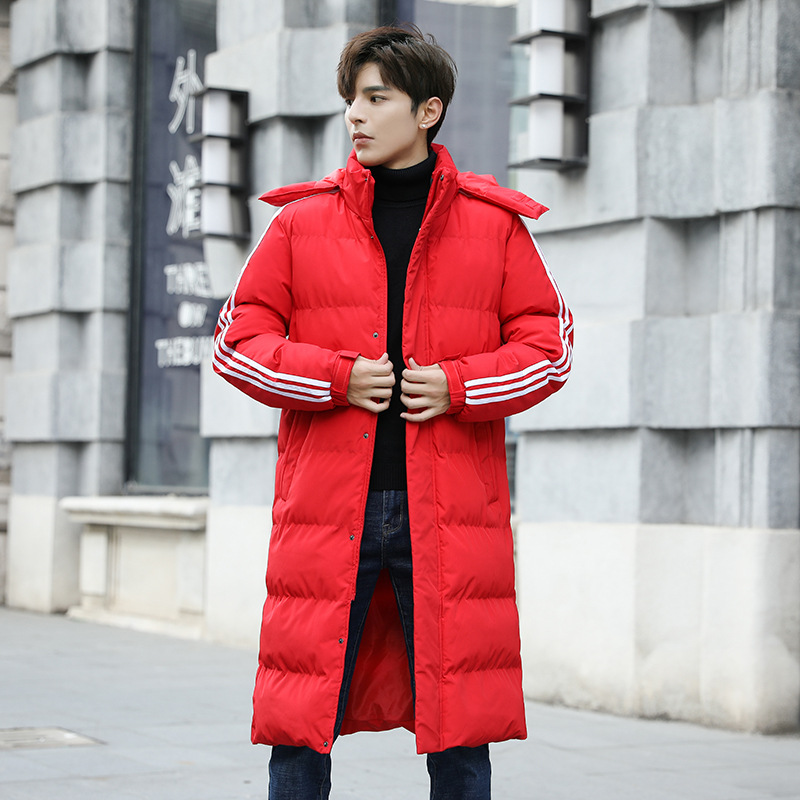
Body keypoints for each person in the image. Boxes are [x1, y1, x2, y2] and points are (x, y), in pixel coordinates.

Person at [213, 24, 573, 800]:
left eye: (377, 98)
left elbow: (550, 349)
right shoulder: (301, 222)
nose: (356, 115)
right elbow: (236, 344)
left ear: (428, 110)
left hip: (448, 514)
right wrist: (336, 379)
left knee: (462, 735)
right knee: (299, 728)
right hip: (326, 513)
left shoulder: (494, 224)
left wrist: (459, 386)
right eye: (353, 99)